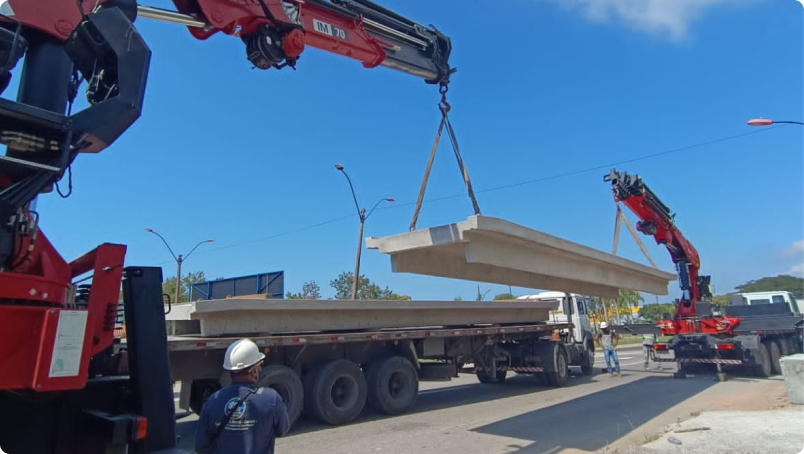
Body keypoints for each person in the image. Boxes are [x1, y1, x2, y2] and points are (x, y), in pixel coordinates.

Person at [195, 338, 290, 454]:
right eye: (260, 365)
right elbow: (282, 429)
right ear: (253, 369)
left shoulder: (213, 400)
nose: (260, 369)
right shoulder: (271, 398)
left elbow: (201, 447)